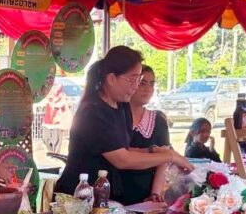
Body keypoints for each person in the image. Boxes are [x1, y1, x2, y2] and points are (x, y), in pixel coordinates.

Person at [55, 46, 192, 204]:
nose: (135, 86)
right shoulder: (93, 112)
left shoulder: (121, 107)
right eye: (133, 80)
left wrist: (153, 150)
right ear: (111, 79)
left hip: (102, 197)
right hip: (77, 197)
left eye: (138, 80)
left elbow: (123, 149)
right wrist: (170, 156)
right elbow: (122, 159)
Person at [129, 65, 170, 150]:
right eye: (142, 83)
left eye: (151, 84)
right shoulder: (114, 117)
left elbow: (165, 152)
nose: (148, 89)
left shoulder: (158, 120)